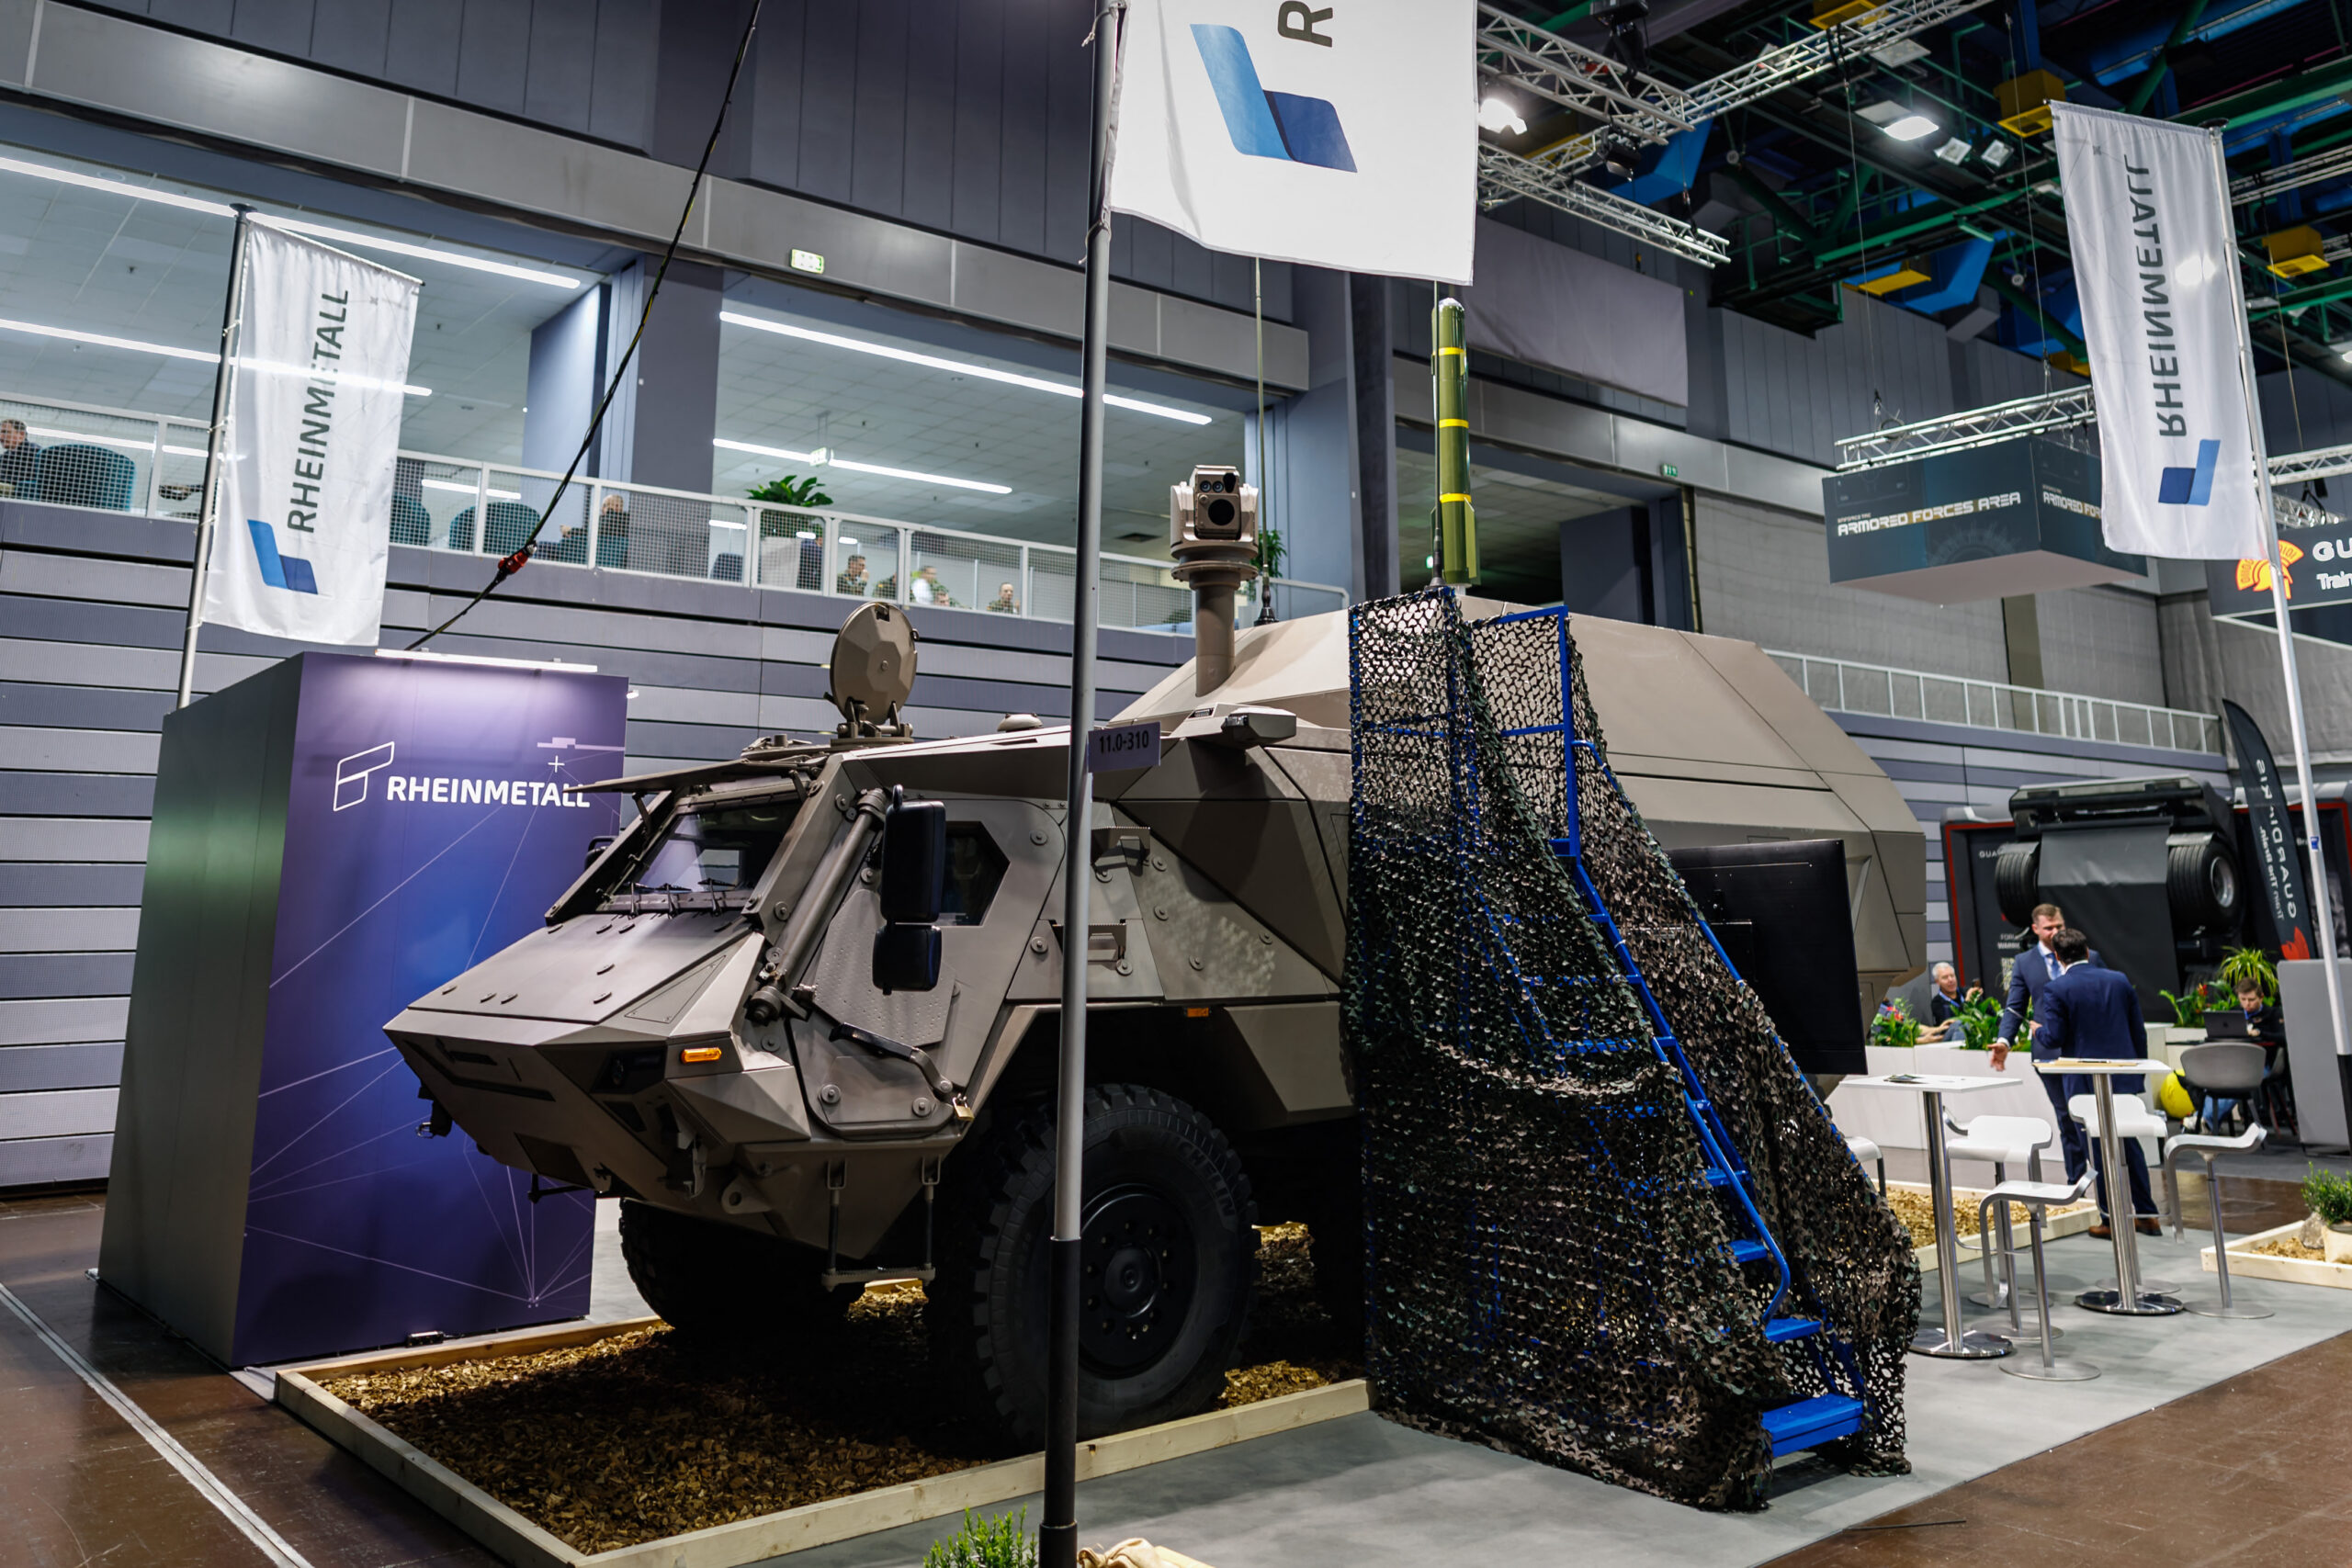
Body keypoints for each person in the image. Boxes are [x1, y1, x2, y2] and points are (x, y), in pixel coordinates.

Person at [2033, 928, 2162, 1238]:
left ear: (2058, 957)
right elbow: (2138, 1031)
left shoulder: (2057, 988)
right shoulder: (2119, 980)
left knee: (2097, 1148)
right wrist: (2137, 1074)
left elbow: (2054, 1037)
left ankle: (2110, 1219)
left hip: (2084, 1082)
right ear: (2088, 952)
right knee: (2129, 1143)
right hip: (2123, 1075)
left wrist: (2036, 1031)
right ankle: (2147, 1214)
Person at [1992, 904, 2102, 1182]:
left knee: (2094, 1116)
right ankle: (2077, 1182)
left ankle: (2105, 1179)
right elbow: (2015, 1007)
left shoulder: (2090, 957)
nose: (2055, 932)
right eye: (2049, 928)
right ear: (2035, 929)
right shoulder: (2024, 962)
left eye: (2059, 926)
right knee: (2066, 1117)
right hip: (2048, 1053)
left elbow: (2105, 996)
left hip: (2088, 1050)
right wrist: (2004, 1041)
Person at [0, 417, 40, 493]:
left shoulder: (35, 453)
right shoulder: (4, 456)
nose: (0, 437)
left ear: (21, 434)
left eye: (5, 432)